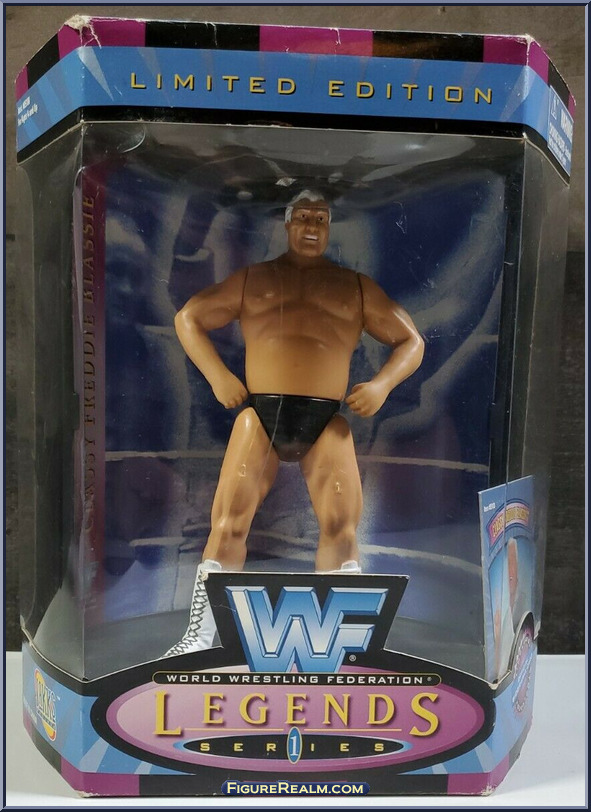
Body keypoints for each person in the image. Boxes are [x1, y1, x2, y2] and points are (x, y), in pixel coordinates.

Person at [165, 191, 424, 655]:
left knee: (341, 527)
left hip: (325, 420)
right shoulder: (254, 279)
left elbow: (412, 341)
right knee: (227, 523)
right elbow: (188, 318)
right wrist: (218, 376)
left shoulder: (354, 287)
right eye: (303, 216)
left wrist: (382, 385)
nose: (311, 226)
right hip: (260, 415)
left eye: (320, 218)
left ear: (330, 225)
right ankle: (199, 638)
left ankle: (345, 643)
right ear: (286, 223)